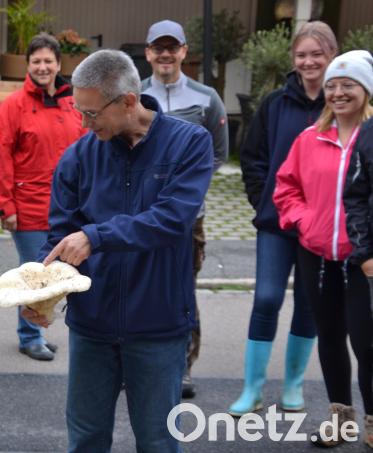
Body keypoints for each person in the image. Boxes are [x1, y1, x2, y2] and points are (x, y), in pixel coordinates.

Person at [23, 49, 213, 452]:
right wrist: (41, 289)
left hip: (159, 326)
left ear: (129, 101)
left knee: (159, 442)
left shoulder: (189, 143)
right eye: (79, 111)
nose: (84, 123)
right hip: (93, 326)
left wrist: (96, 236)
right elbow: (60, 233)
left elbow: (172, 219)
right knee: (87, 440)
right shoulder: (78, 156)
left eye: (91, 114)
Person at [233, 21, 337, 416]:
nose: (309, 62)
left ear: (331, 55)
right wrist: (263, 201)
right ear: (293, 59)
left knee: (309, 303)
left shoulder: (341, 102)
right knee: (267, 298)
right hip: (277, 224)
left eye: (317, 54)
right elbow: (253, 156)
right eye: (302, 54)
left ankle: (293, 386)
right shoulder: (275, 104)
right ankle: (252, 389)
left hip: (322, 228)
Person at [276, 49, 373, 448]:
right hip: (316, 256)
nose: (337, 93)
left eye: (347, 85)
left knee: (367, 343)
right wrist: (305, 222)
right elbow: (286, 189)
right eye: (332, 86)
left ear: (366, 90)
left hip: (362, 260)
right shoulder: (308, 138)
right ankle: (342, 419)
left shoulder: (371, 139)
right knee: (329, 337)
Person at [140, 19, 228, 399]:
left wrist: (186, 190)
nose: (164, 54)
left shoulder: (207, 97)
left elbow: (219, 153)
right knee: (142, 287)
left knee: (182, 291)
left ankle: (183, 368)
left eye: (171, 47)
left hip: (190, 220)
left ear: (183, 51)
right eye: (157, 47)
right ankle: (141, 363)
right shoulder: (134, 96)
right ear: (147, 53)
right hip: (141, 214)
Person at [0, 33, 86, 362]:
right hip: (28, 207)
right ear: (27, 65)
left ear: (59, 64)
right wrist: (6, 207)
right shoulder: (13, 107)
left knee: (57, 275)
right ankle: (29, 336)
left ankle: (38, 332)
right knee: (34, 274)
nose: (42, 67)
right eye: (36, 61)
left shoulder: (74, 103)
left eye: (48, 61)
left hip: (69, 209)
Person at [344, 116, 373, 450]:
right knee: (368, 347)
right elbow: (355, 194)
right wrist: (364, 253)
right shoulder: (369, 132)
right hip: (371, 259)